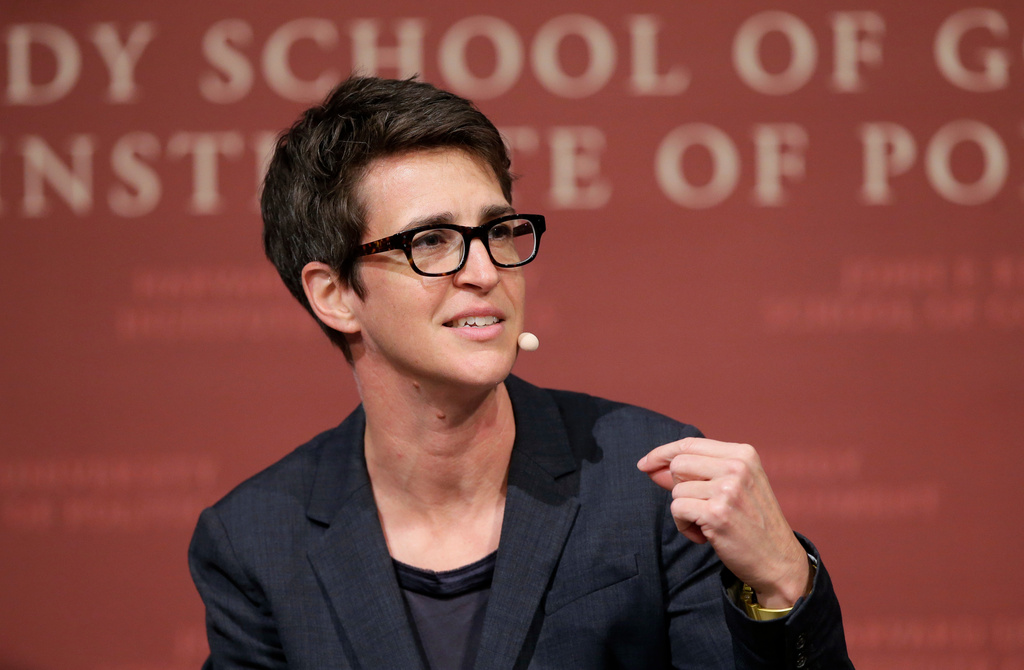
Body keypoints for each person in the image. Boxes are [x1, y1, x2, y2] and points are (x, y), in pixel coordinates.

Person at [189, 75, 854, 669]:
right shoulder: (256, 540)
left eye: (497, 231)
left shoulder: (650, 484)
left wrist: (782, 587)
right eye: (431, 242)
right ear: (334, 294)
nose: (484, 272)